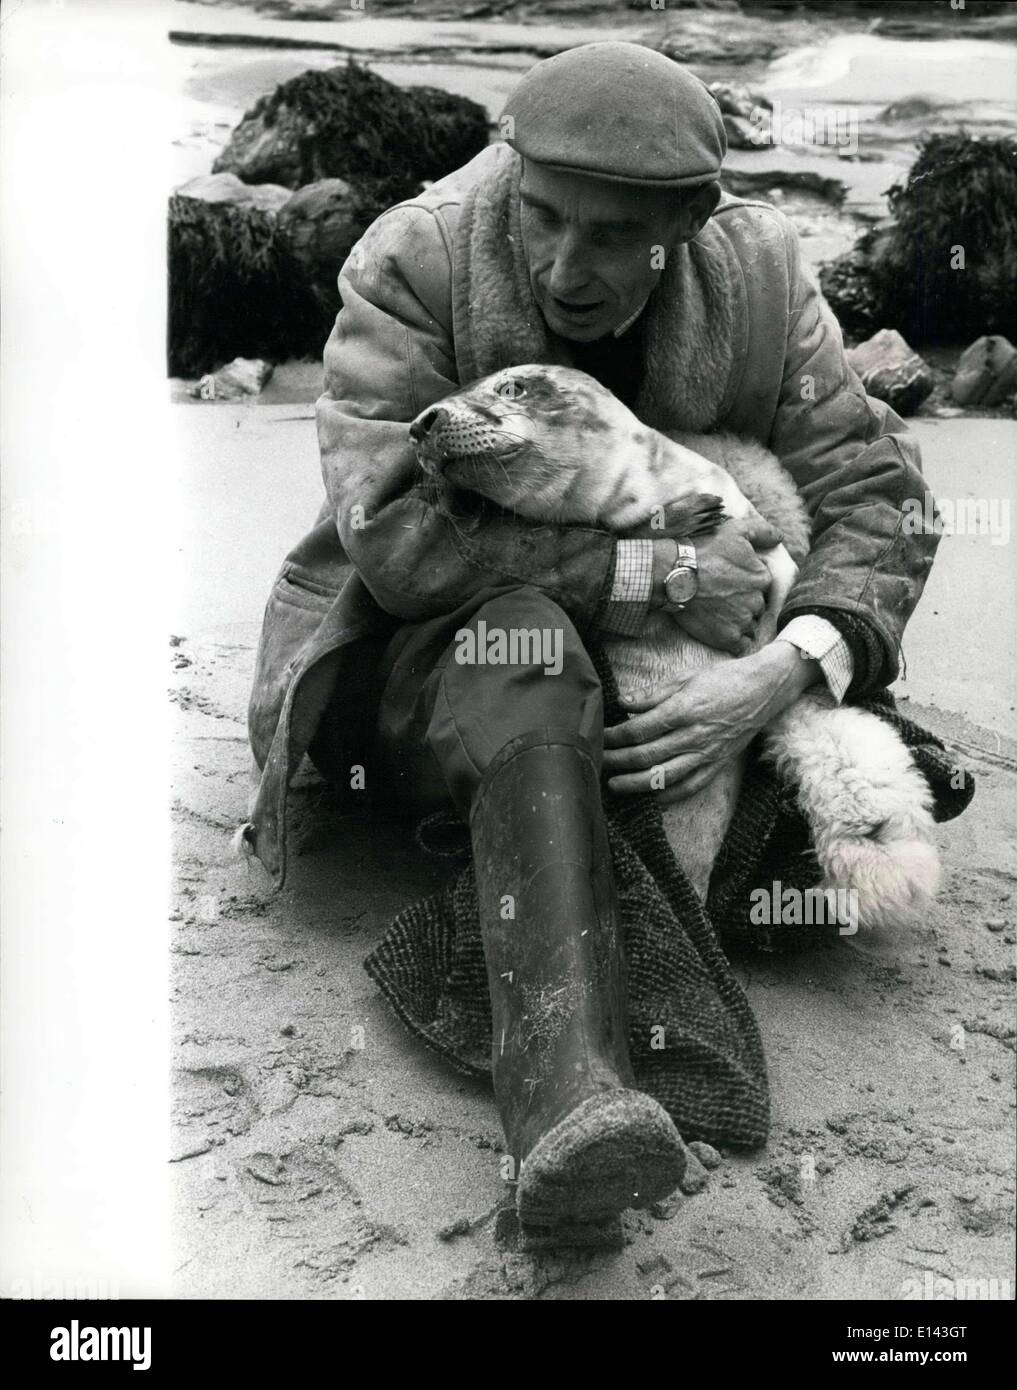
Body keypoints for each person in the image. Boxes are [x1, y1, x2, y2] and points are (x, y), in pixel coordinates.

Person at [243, 43, 939, 1234]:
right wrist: (654, 573)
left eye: (614, 237)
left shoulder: (764, 270)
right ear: (509, 171)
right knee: (530, 649)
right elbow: (397, 531)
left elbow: (879, 493)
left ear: (689, 221)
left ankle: (628, 841)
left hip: (683, 675)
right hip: (427, 658)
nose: (566, 267)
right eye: (541, 217)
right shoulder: (417, 252)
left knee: (842, 760)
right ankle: (570, 1094)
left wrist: (780, 670)